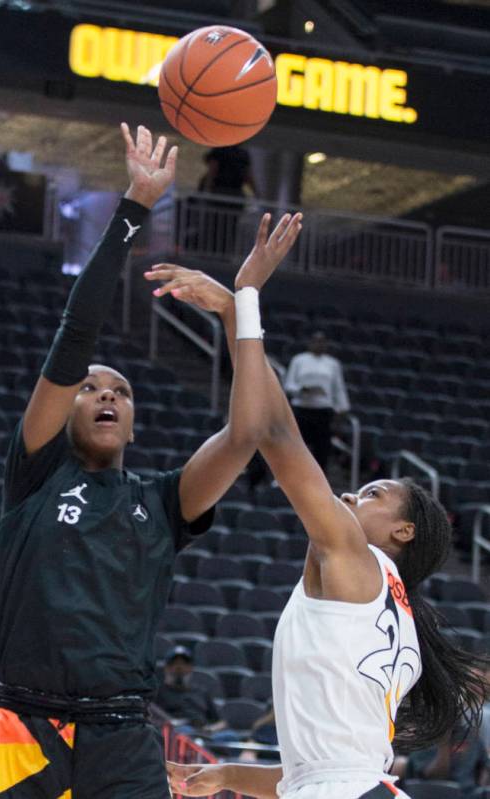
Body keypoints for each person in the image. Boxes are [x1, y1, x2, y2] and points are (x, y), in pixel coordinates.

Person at [0, 124, 277, 799]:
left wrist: (236, 309)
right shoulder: (36, 473)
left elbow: (248, 429)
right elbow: (75, 337)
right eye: (90, 387)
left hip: (124, 736)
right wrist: (135, 206)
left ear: (134, 423)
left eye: (122, 390)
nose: (106, 392)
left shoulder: (165, 498)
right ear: (66, 408)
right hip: (25, 726)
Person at [145, 218, 488, 799]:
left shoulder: (359, 562)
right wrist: (228, 775)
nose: (352, 494)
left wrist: (244, 299)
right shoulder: (390, 605)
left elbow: (275, 431)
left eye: (373, 493)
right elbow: (318, 773)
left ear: (402, 531)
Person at [284, 331, 350, 473]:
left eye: (322, 341)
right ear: (310, 343)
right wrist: (302, 389)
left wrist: (342, 408)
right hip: (302, 409)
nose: (318, 344)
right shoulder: (299, 360)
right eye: (315, 341)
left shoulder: (333, 364)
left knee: (322, 450)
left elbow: (338, 388)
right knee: (296, 448)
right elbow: (289, 384)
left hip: (323, 411)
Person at [155, 645, 236, 743]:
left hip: (204, 734)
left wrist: (209, 729)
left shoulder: (201, 692)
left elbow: (221, 722)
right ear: (167, 668)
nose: (179, 668)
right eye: (175, 664)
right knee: (185, 732)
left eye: (184, 664)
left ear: (190, 668)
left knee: (230, 737)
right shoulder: (158, 692)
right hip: (177, 734)